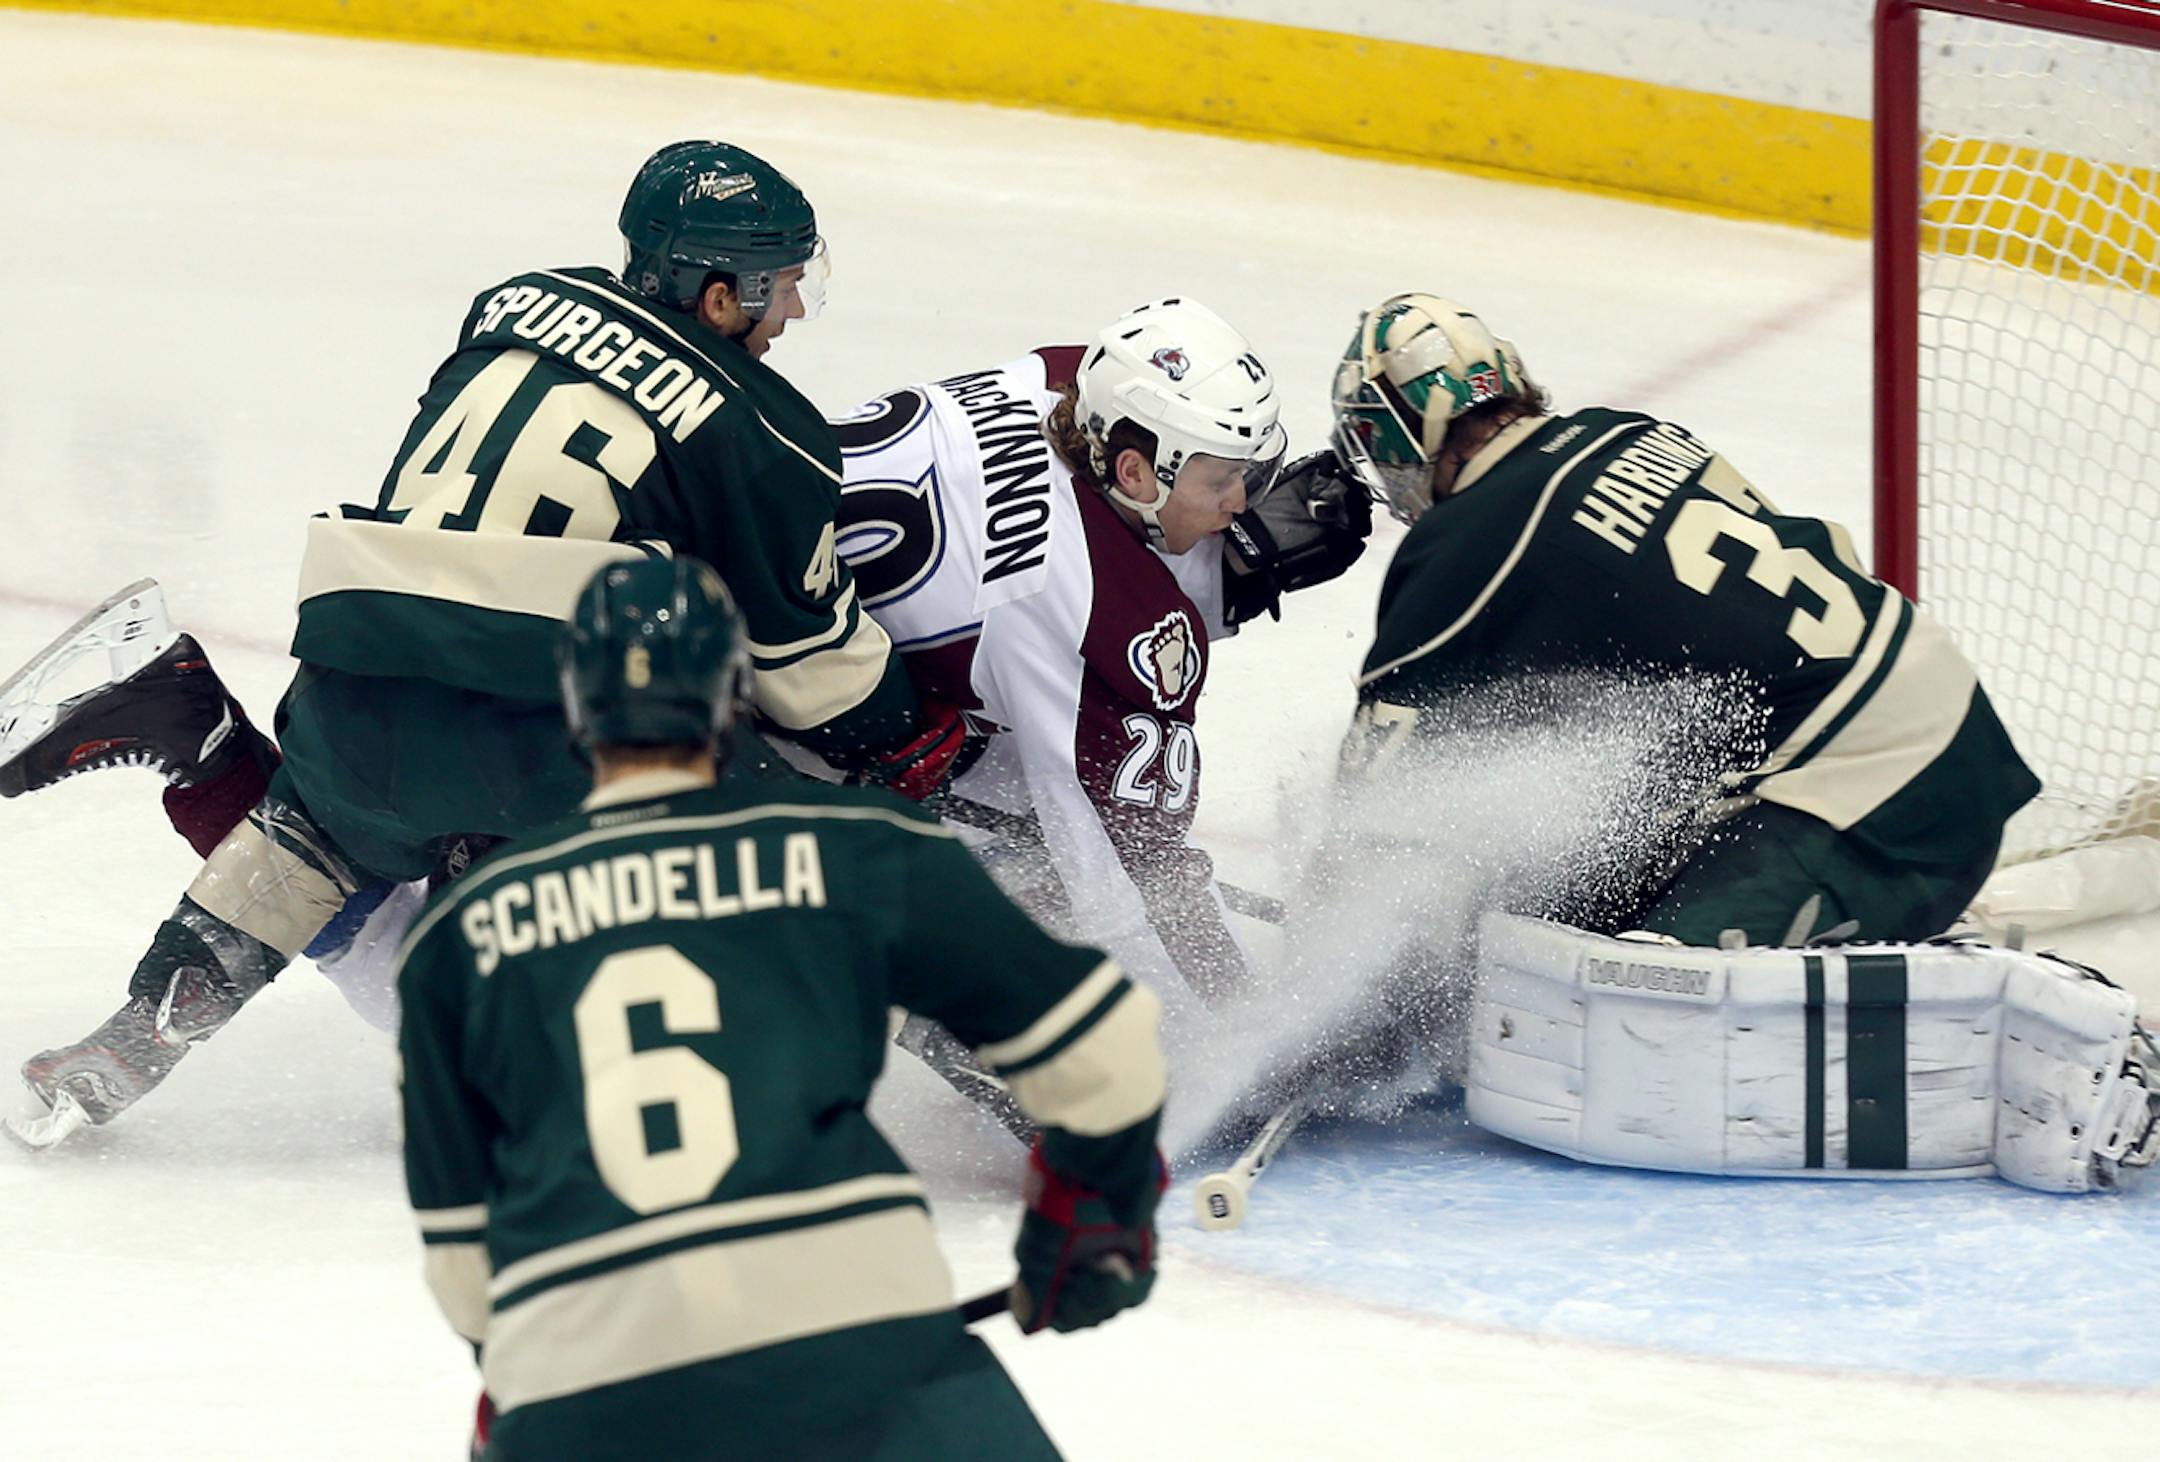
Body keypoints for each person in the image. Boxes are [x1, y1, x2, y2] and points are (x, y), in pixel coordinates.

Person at [6, 140, 973, 1144]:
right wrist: (898, 731)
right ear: (720, 296)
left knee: (318, 831)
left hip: (351, 679)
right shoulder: (765, 427)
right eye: (781, 285)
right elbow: (814, 672)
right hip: (557, 740)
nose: (794, 312)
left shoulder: (513, 300)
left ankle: (123, 1045)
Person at [399, 556, 1167, 1460]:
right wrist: (1091, 1213)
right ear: (734, 697)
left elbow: (463, 1257)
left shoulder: (456, 933)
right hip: (858, 1349)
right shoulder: (858, 850)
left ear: (575, 710)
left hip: (578, 1385)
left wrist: (533, 1390)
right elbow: (1106, 1055)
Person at [1328, 291, 2040, 946]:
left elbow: (1376, 794)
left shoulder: (1465, 541)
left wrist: (1320, 956)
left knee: (1623, 1008)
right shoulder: (1627, 432)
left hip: (1870, 797)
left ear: (1397, 431)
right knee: (1558, 917)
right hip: (1939, 725)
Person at [829, 298, 1370, 1017]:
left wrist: (1222, 566)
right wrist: (1242, 1029)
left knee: (1022, 741)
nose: (1241, 504)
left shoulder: (1067, 379)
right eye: (1220, 482)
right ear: (1136, 472)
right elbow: (1141, 875)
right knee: (1054, 842)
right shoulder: (1102, 625)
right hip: (753, 709)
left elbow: (1086, 535)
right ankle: (963, 996)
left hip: (752, 586)